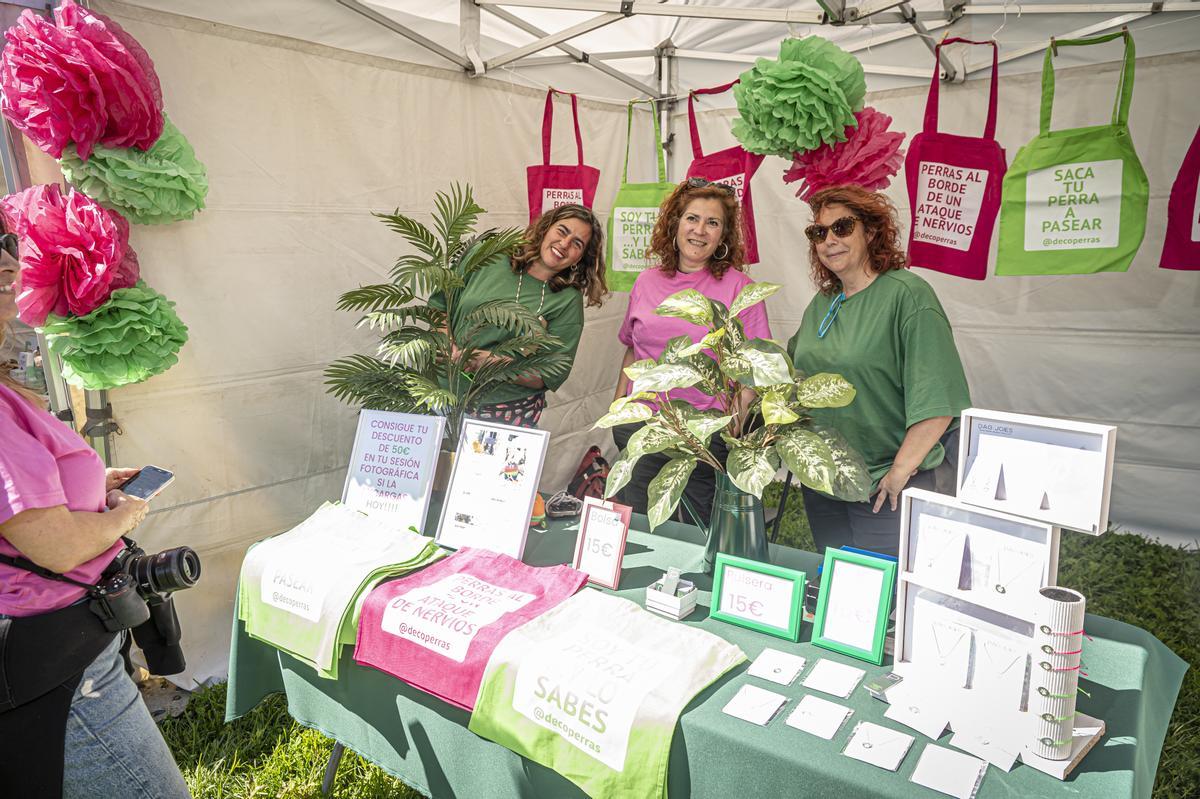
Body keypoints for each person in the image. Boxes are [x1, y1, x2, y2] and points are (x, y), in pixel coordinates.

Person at [0, 224, 191, 798]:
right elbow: (54, 544)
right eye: (7, 273)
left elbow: (20, 500)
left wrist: (91, 486)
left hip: (69, 642)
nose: (12, 278)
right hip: (59, 658)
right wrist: (124, 515)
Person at [787, 185, 971, 558]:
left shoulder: (908, 295)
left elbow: (938, 397)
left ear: (870, 231)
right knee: (840, 588)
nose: (829, 240)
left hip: (885, 484)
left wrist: (899, 472)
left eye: (842, 228)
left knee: (882, 598)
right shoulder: (823, 303)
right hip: (826, 482)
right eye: (819, 233)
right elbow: (791, 372)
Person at [610, 178, 772, 525]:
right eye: (692, 219)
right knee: (642, 528)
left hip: (704, 437)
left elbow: (754, 371)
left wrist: (731, 430)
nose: (700, 230)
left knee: (697, 533)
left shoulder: (739, 288)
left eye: (712, 223)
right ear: (675, 224)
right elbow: (632, 350)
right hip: (644, 427)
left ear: (723, 236)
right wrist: (619, 406)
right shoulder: (646, 281)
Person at [437, 203, 607, 428]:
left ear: (581, 258)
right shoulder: (488, 256)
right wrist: (446, 343)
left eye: (577, 244)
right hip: (441, 396)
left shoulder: (566, 299)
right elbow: (441, 303)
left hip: (505, 411)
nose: (564, 245)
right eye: (562, 231)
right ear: (545, 228)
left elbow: (550, 374)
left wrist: (492, 363)